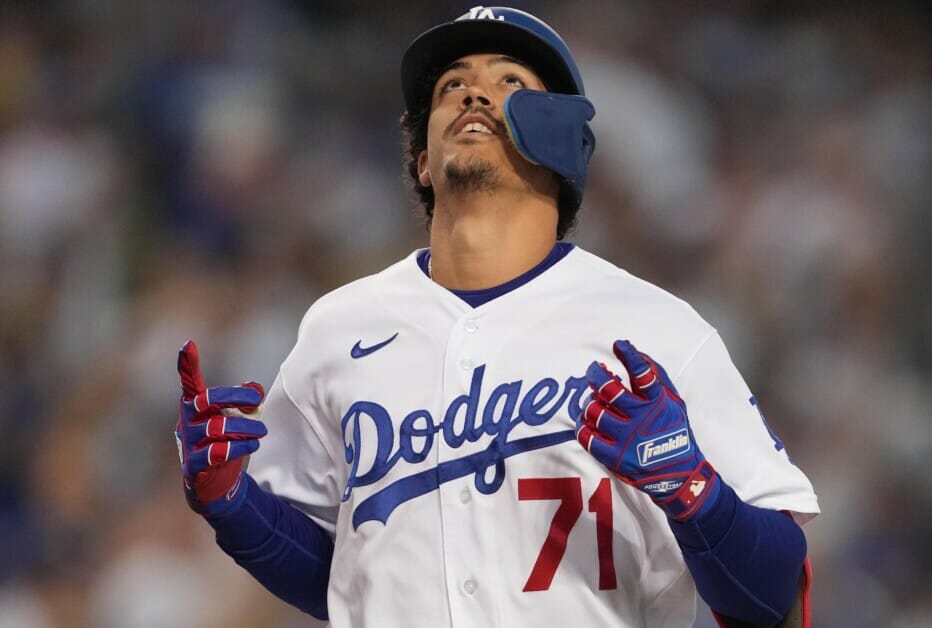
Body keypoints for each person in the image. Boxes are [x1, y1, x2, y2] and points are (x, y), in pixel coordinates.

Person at [174, 6, 819, 627]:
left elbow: (773, 595)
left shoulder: (658, 332)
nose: (472, 94)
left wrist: (694, 491)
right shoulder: (337, 330)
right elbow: (344, 578)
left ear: (563, 142)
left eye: (509, 81)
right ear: (423, 160)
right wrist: (234, 505)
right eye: (452, 85)